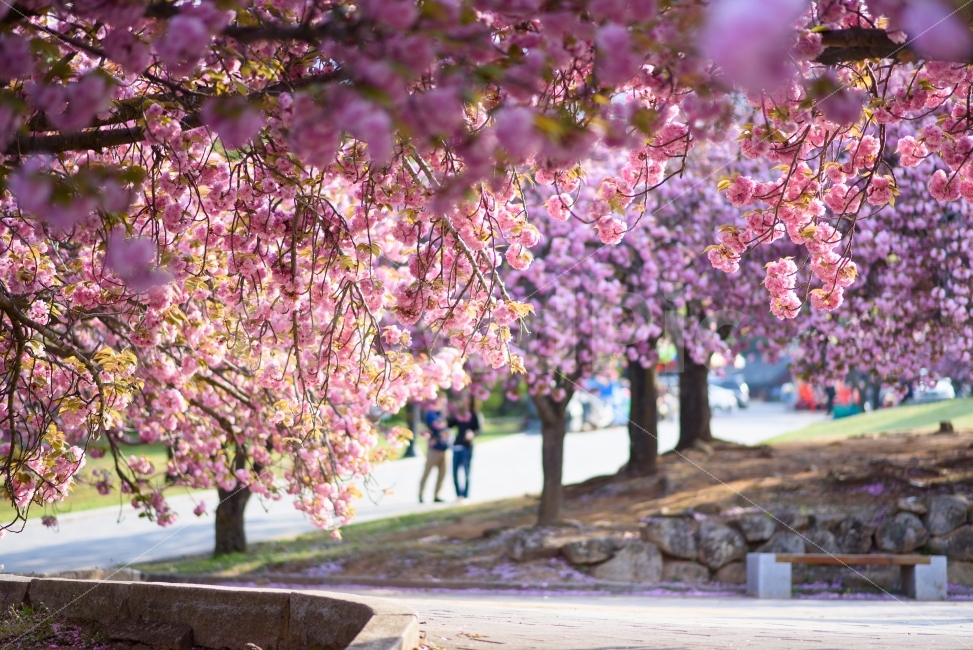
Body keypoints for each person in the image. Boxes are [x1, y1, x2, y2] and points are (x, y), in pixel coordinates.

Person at [448, 395, 480, 500]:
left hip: (467, 447)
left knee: (466, 472)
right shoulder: (459, 413)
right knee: (454, 472)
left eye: (468, 398)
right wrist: (449, 413)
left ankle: (465, 495)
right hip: (457, 446)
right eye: (464, 397)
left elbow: (479, 429)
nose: (465, 399)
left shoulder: (475, 414)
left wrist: (472, 433)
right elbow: (450, 425)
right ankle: (459, 495)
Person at [419, 400, 450, 503]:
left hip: (444, 448)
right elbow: (435, 426)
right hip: (434, 449)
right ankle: (421, 494)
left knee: (442, 474)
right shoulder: (431, 413)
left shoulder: (444, 414)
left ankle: (437, 495)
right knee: (427, 472)